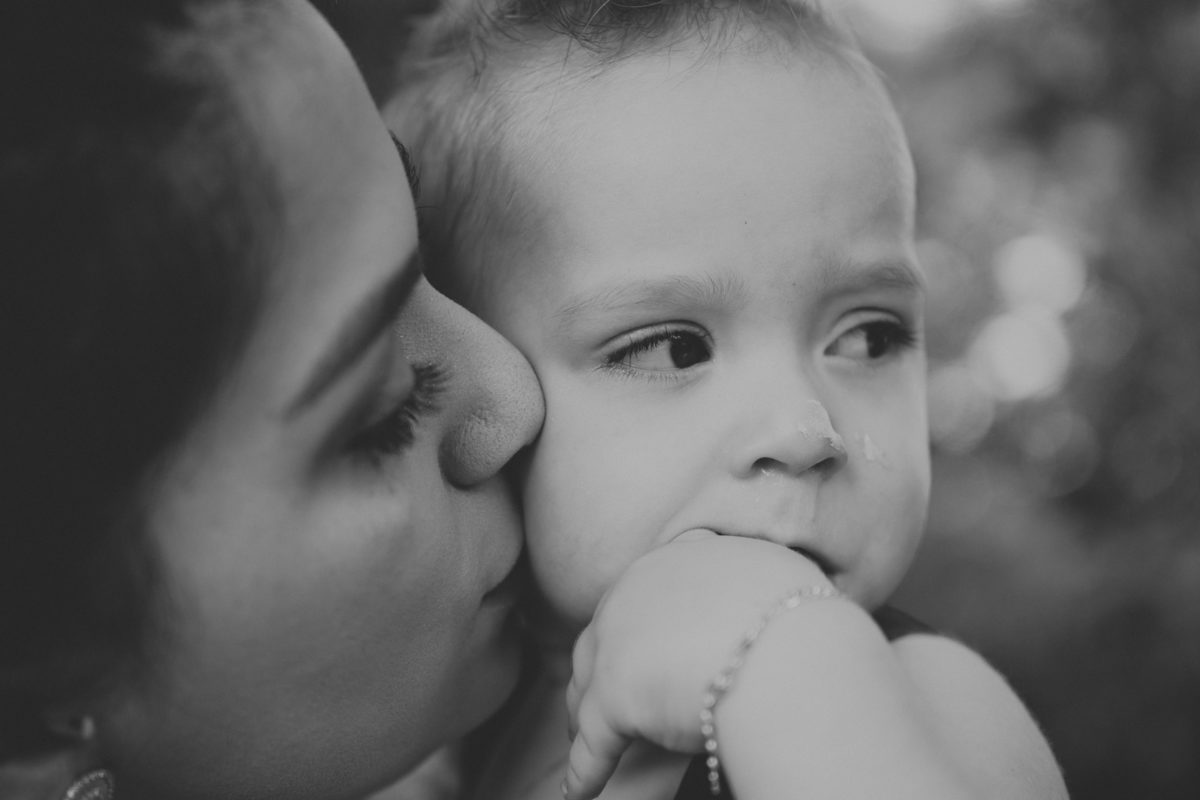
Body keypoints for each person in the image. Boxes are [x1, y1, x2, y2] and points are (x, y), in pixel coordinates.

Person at [384, 0, 1070, 798]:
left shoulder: (923, 700)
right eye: (675, 347)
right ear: (485, 391)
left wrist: (779, 658)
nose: (804, 430)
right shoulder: (455, 733)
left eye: (867, 337)